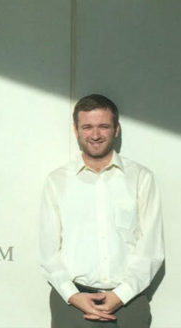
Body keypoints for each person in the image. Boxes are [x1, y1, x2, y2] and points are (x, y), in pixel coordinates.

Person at [39, 94, 165, 327]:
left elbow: (151, 248)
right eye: (87, 127)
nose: (95, 135)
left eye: (103, 126)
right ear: (76, 130)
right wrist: (71, 294)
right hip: (72, 304)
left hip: (130, 303)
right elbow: (48, 251)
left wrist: (121, 295)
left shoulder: (141, 178)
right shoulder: (57, 181)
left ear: (116, 129)